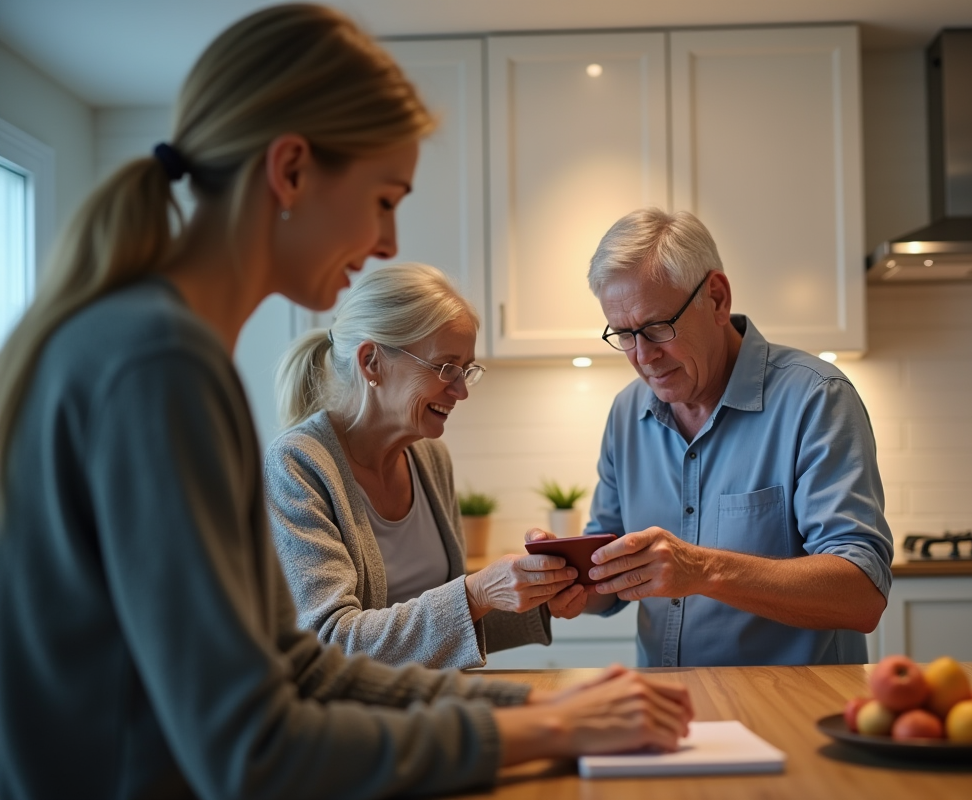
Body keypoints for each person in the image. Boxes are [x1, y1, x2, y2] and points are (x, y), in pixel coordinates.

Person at [0, 8, 690, 799]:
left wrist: (535, 704)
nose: (389, 242)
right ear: (291, 170)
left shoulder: (154, 345)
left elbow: (295, 667)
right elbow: (253, 749)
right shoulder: (160, 365)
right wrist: (550, 727)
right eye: (385, 197)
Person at [531, 207, 894, 668]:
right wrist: (568, 582)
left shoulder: (816, 398)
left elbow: (862, 594)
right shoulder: (627, 412)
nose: (643, 357)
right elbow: (610, 579)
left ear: (717, 299)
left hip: (794, 712)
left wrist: (703, 570)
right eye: (624, 334)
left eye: (657, 326)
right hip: (668, 712)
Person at [266, 262, 569, 669]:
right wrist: (476, 592)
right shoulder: (297, 464)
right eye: (446, 367)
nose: (460, 390)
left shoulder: (429, 458)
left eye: (465, 370)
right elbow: (331, 644)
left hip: (431, 710)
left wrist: (543, 593)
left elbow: (442, 635)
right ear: (372, 361)